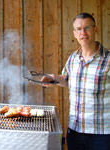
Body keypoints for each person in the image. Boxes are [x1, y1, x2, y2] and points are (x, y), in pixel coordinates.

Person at [41, 13, 110, 150]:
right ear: (74, 33)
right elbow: (66, 80)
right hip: (75, 131)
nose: (83, 33)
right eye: (79, 29)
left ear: (95, 30)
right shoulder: (73, 57)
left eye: (87, 28)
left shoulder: (108, 59)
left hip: (101, 134)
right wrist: (53, 78)